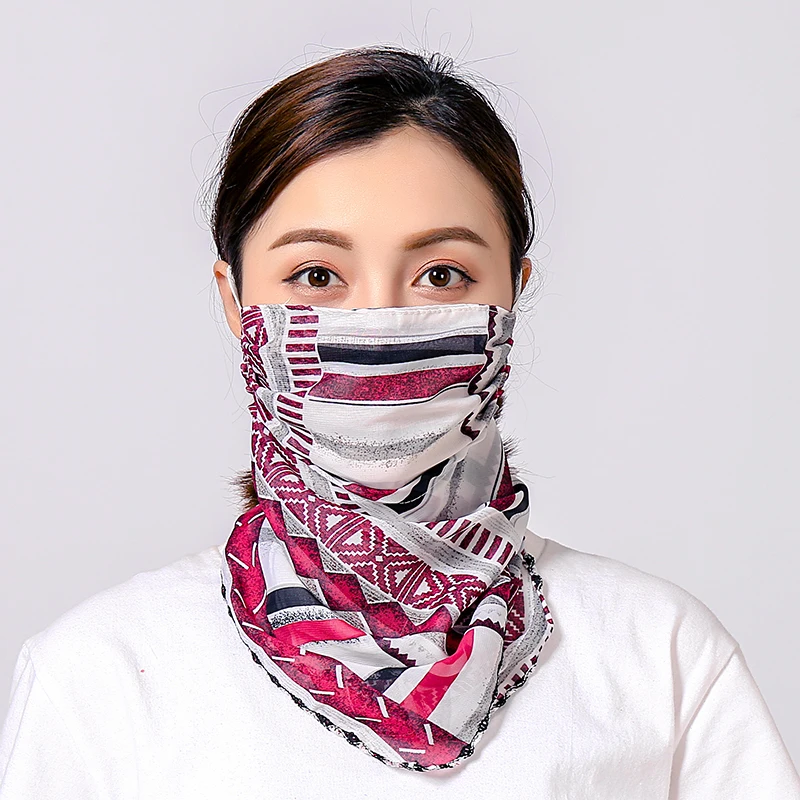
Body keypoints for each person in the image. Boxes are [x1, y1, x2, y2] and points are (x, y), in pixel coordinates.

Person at [0, 45, 798, 798]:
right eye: (317, 275)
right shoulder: (98, 677)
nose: (380, 324)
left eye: (441, 274)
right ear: (236, 302)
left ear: (512, 293)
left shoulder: (660, 657)